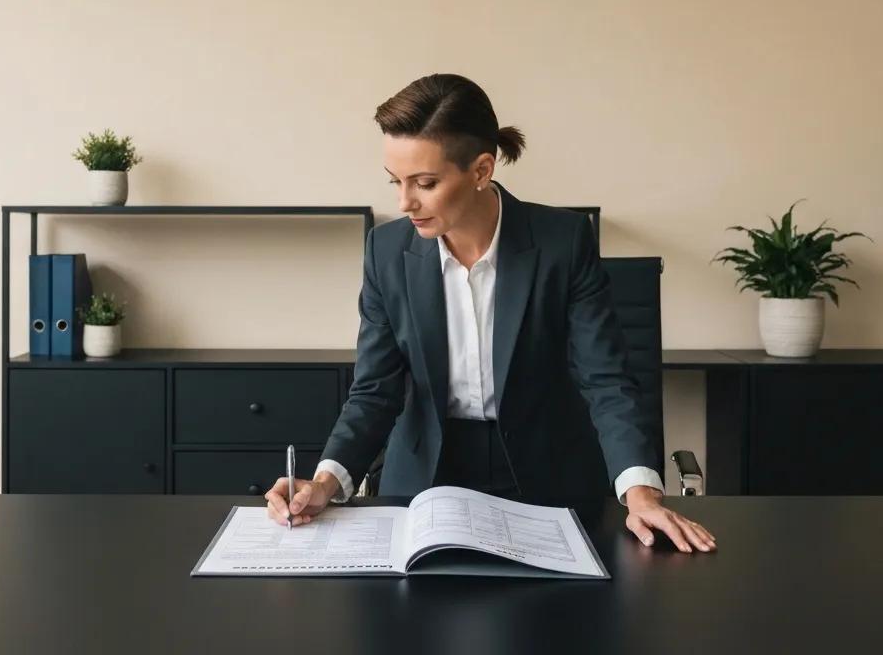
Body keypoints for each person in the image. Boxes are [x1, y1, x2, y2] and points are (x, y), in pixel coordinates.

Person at [265, 73, 715, 553]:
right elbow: (375, 390)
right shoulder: (386, 252)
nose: (404, 202)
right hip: (426, 481)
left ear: (481, 170)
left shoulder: (562, 242)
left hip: (548, 478)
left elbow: (606, 378)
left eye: (425, 183)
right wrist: (325, 483)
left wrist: (641, 496)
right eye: (395, 181)